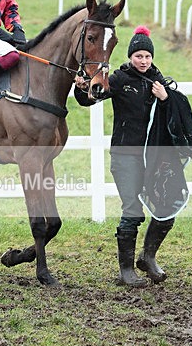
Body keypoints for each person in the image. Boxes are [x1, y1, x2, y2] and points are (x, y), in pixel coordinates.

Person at [74, 25, 175, 288]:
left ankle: (148, 258)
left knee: (167, 210)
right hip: (125, 155)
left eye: (147, 56)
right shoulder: (119, 79)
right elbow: (89, 99)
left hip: (152, 157)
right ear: (131, 56)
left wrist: (165, 98)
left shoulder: (159, 81)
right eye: (138, 56)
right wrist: (81, 88)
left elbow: (175, 115)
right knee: (132, 209)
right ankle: (126, 272)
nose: (143, 61)